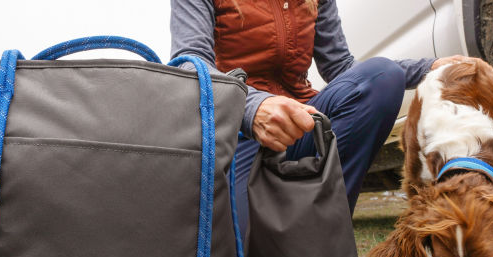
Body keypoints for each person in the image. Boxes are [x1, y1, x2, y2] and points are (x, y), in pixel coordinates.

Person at [171, 0, 469, 232]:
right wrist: (253, 108)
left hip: (303, 122)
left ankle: (330, 236)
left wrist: (428, 69)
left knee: (382, 77)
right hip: (240, 131)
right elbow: (190, 64)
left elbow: (340, 66)